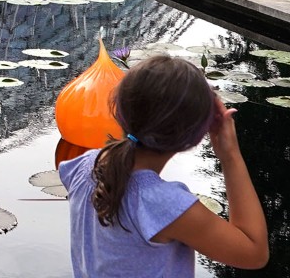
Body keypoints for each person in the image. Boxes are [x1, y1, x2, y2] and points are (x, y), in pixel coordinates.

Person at [59, 54, 268, 277]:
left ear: (119, 111)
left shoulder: (85, 166)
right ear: (196, 137)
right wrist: (230, 155)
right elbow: (254, 252)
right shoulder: (164, 205)